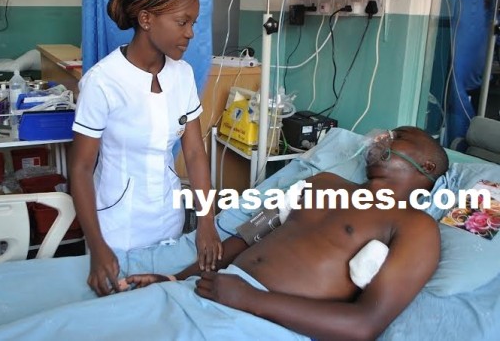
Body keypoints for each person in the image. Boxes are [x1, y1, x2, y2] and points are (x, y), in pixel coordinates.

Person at [126, 126, 450, 340]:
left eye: (399, 135)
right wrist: (179, 278)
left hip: (258, 324)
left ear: (428, 166)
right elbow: (248, 236)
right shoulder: (320, 183)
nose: (383, 137)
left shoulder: (415, 227)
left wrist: (252, 300)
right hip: (210, 291)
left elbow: (365, 324)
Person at [69, 0, 222, 297]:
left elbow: (195, 153)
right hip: (116, 228)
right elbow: (80, 168)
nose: (190, 33)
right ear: (146, 18)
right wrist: (97, 247)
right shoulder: (103, 82)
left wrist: (206, 221)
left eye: (193, 22)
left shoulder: (181, 76)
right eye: (182, 22)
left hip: (168, 218)